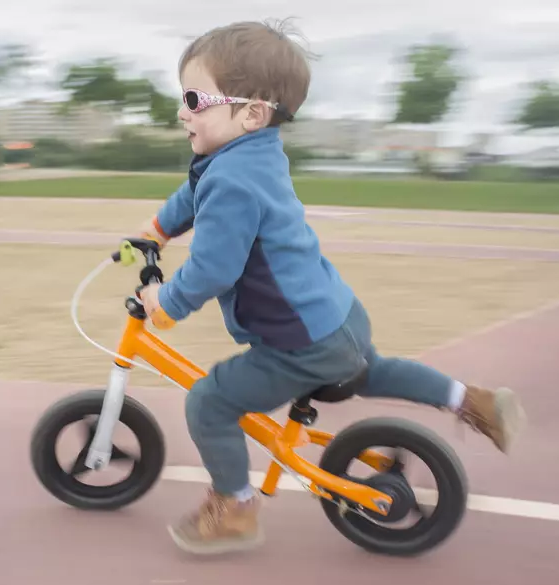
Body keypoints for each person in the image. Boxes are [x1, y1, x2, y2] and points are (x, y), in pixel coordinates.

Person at [135, 19, 526, 556]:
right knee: (371, 369)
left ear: (251, 112)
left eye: (195, 99)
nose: (182, 111)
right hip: (337, 315)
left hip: (299, 341)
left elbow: (213, 269)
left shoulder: (230, 177)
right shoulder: (250, 154)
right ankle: (473, 401)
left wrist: (167, 303)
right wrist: (158, 228)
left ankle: (236, 507)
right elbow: (194, 189)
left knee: (209, 403)